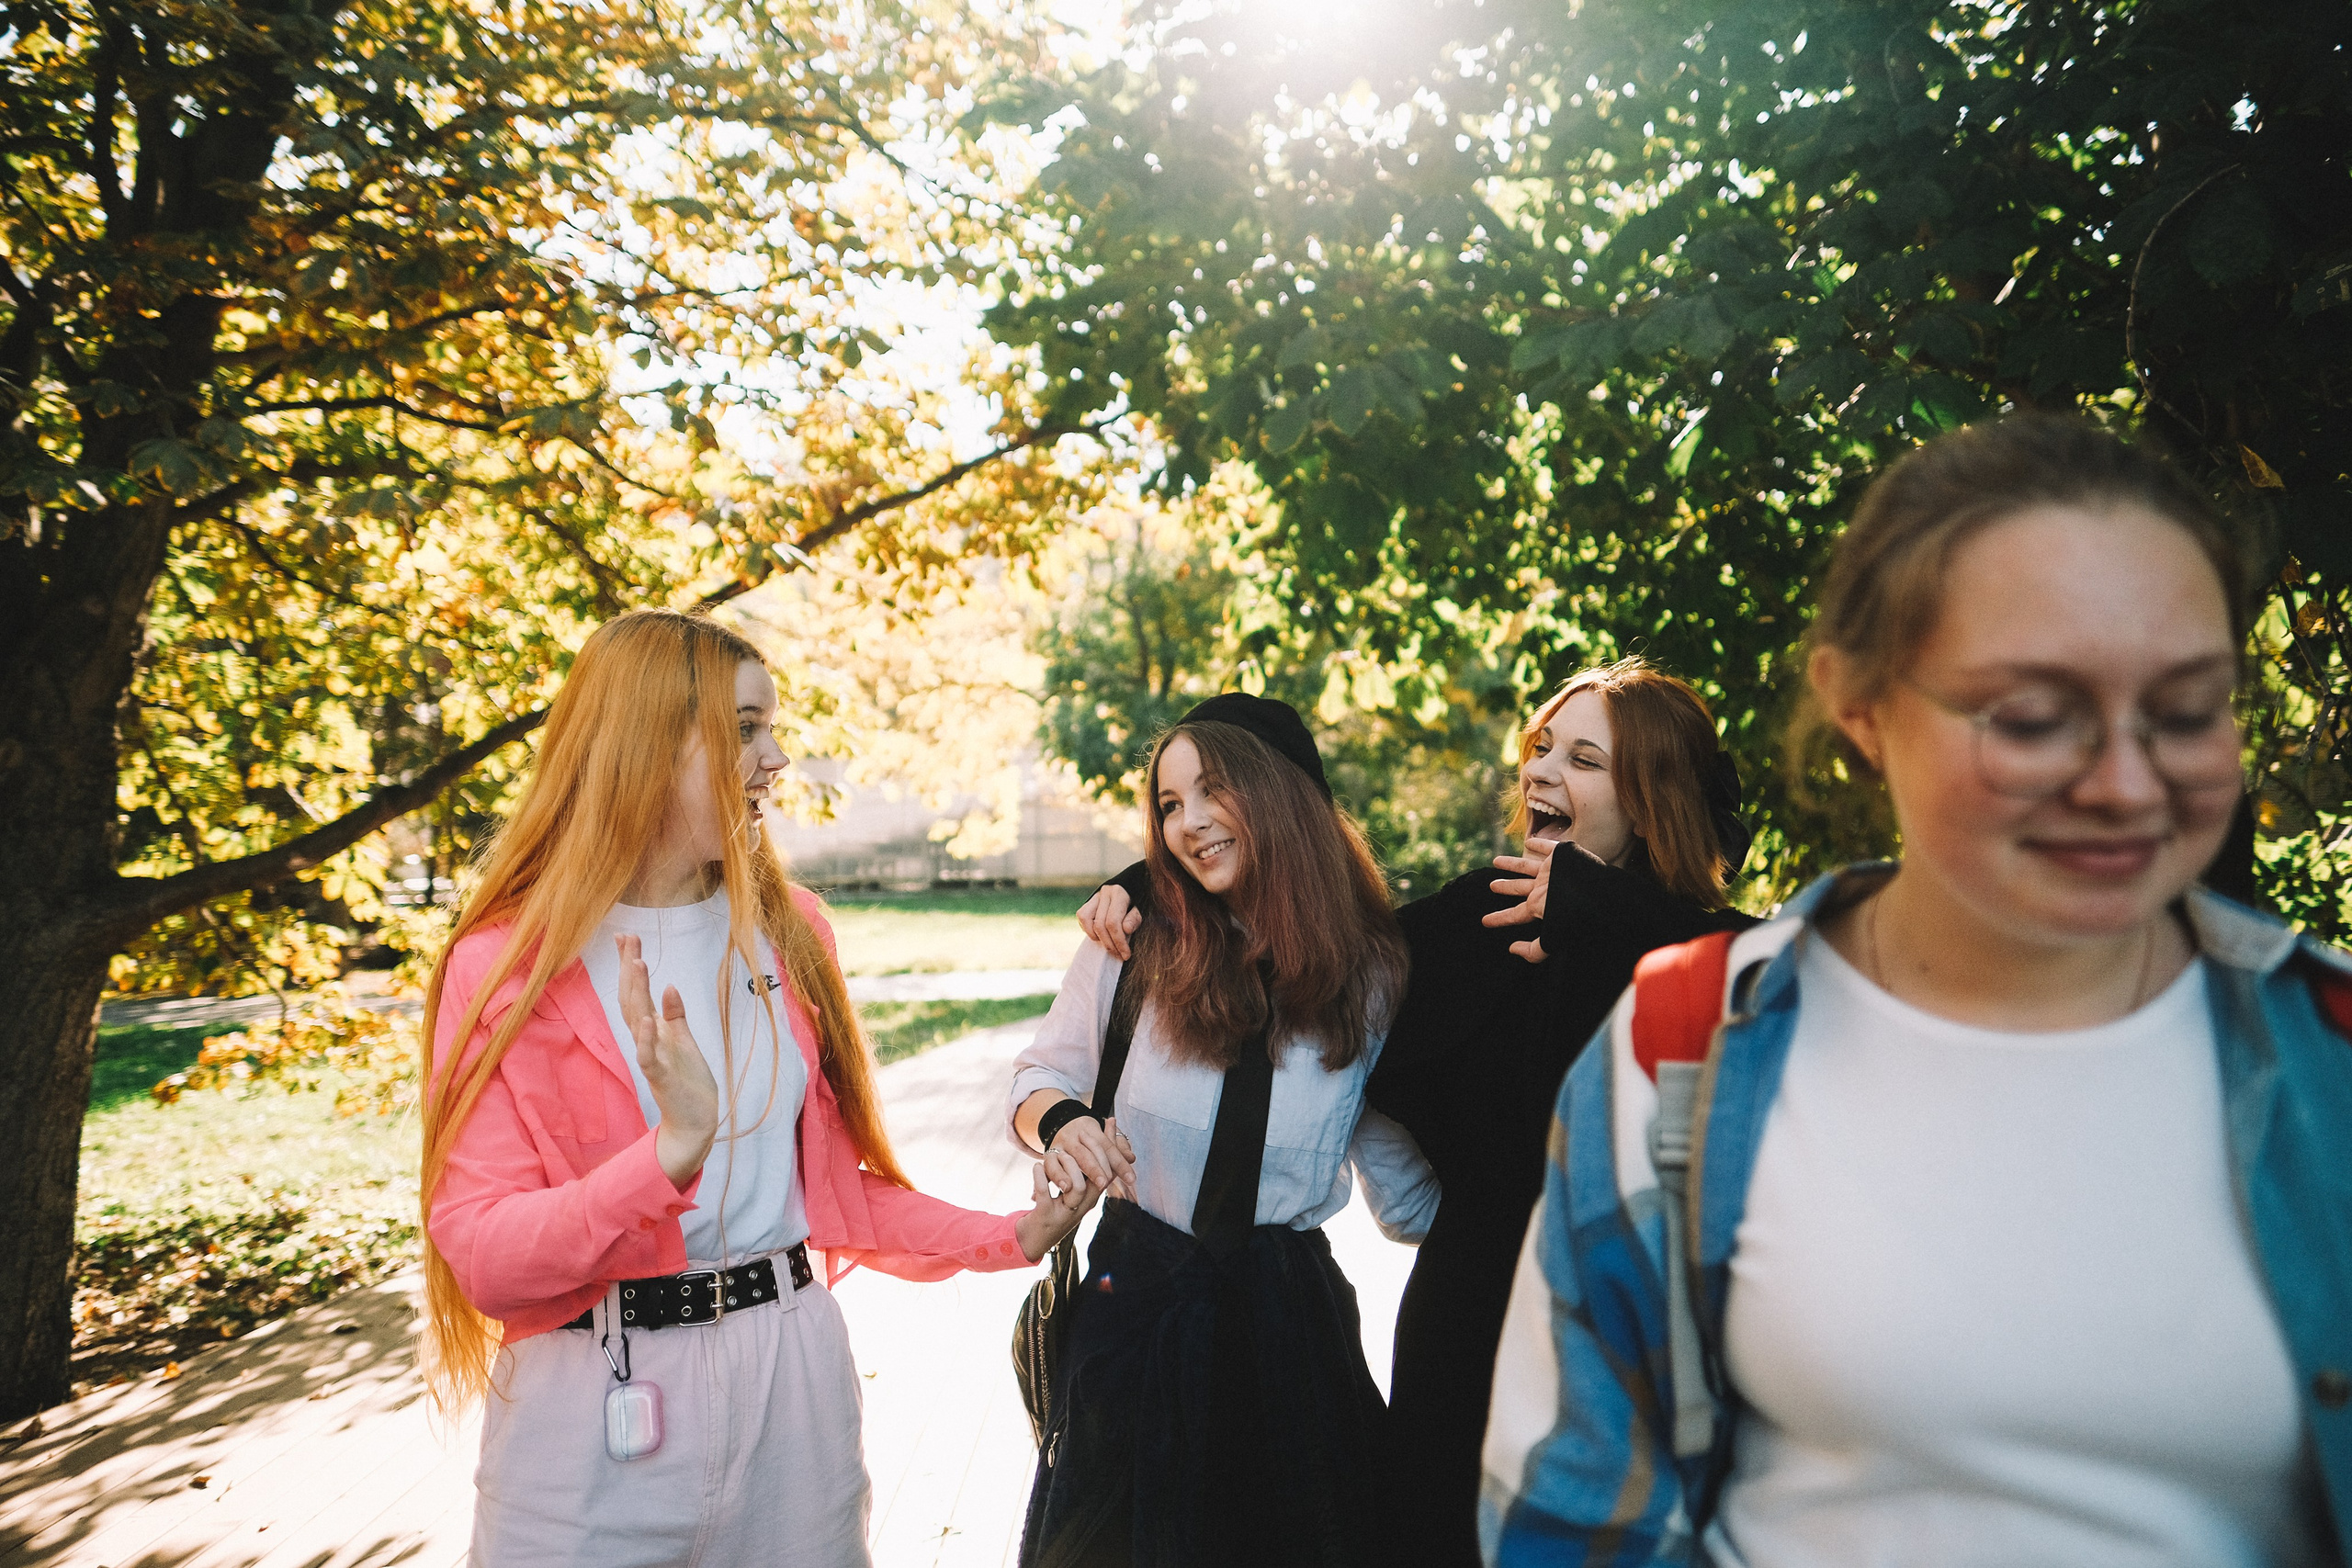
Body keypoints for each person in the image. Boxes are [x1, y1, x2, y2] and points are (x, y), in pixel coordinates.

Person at [1482, 414, 2352, 1567]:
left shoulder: (2330, 1052)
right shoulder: (1685, 1046)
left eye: (2188, 709)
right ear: (1861, 706)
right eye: (2034, 714)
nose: (2125, 782)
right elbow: (1574, 1522)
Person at [418, 609, 1102, 1568]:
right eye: (743, 729)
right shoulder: (506, 966)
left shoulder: (791, 933)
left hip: (793, 1394)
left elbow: (827, 1190)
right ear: (645, 740)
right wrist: (667, 1154)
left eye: (772, 728)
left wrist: (1010, 1236)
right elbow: (487, 1258)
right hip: (587, 1421)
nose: (776, 757)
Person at [1075, 662, 1757, 1568]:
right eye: (1541, 748)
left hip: (1641, 1330)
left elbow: (1775, 973)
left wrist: (1602, 910)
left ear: (1651, 799)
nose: (1542, 773)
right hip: (1470, 1324)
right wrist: (1152, 878)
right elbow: (1311, 924)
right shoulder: (1479, 916)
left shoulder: (1720, 960)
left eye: (1585, 759)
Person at [1010, 692, 1442, 1568]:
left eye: (1211, 791)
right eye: (1169, 804)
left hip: (1290, 1346)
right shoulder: (1132, 940)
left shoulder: (1375, 977)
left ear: (1280, 793)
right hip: (1135, 1321)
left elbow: (1404, 1198)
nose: (1188, 823)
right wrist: (1062, 1124)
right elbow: (1039, 1074)